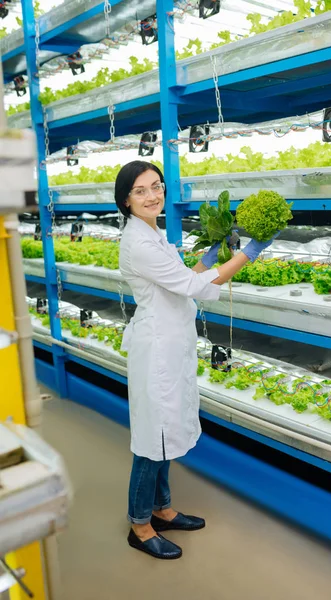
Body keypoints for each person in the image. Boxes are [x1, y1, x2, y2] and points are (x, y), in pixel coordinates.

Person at [115, 160, 279, 560]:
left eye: (157, 186)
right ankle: (140, 525)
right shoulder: (137, 241)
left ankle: (163, 509)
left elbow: (185, 275)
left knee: (166, 433)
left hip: (170, 344)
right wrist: (249, 254)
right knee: (151, 441)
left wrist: (212, 255)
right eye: (141, 191)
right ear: (126, 201)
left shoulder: (152, 232)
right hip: (156, 349)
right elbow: (192, 286)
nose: (153, 195)